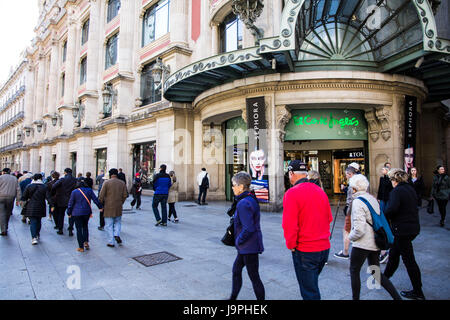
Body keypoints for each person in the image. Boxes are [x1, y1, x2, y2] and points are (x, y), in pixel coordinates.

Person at [282, 160, 332, 300]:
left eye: (288, 174)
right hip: (324, 249)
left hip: (305, 250)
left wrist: (291, 245)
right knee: (311, 285)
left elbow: (289, 225)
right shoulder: (320, 191)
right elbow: (328, 218)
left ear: (291, 173)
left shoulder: (292, 193)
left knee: (309, 292)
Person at [347, 174, 401, 300]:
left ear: (354, 188)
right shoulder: (371, 198)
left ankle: (356, 298)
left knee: (354, 270)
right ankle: (397, 297)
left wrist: (351, 237)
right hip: (376, 242)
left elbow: (359, 229)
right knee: (376, 273)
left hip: (362, 243)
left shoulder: (358, 202)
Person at [384, 168, 425, 300]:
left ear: (394, 180)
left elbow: (392, 209)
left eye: (391, 180)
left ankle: (418, 291)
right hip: (412, 227)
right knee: (394, 254)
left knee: (409, 260)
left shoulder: (397, 191)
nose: (391, 182)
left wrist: (384, 215)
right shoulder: (409, 189)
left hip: (402, 229)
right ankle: (384, 278)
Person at [229, 172, 265, 300]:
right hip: (247, 246)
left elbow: (248, 228)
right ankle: (233, 297)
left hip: (248, 246)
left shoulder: (244, 203)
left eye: (234, 185)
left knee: (254, 276)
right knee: (236, 271)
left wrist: (238, 240)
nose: (232, 187)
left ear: (241, 186)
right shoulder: (249, 198)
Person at [67, 179, 103, 252]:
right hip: (86, 212)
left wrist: (69, 212)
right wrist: (100, 207)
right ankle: (86, 242)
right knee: (85, 226)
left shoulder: (74, 192)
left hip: (76, 213)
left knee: (79, 229)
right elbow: (95, 199)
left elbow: (70, 203)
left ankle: (81, 247)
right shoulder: (89, 190)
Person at [99, 168, 128, 247]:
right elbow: (125, 195)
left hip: (108, 206)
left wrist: (100, 204)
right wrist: (121, 202)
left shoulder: (106, 182)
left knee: (109, 224)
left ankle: (111, 241)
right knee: (118, 222)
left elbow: (101, 195)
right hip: (118, 206)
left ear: (110, 174)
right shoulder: (122, 183)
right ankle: (116, 234)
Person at [334, 166, 358, 259]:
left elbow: (352, 197)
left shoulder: (353, 183)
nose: (346, 176)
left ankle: (345, 251)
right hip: (355, 208)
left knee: (346, 230)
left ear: (350, 174)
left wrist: (348, 208)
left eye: (346, 174)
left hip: (352, 208)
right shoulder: (359, 181)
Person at [21, 174, 50, 245]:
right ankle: (37, 234)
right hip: (41, 205)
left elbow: (24, 197)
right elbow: (48, 197)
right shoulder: (44, 187)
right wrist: (52, 204)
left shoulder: (29, 186)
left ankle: (33, 237)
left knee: (33, 221)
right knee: (38, 220)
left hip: (31, 205)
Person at [51, 168, 78, 235]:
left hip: (61, 199)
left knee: (61, 214)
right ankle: (70, 230)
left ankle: (60, 229)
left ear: (65, 172)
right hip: (72, 199)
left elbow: (54, 186)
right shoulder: (75, 180)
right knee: (71, 215)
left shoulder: (62, 179)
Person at [0, 168, 21, 236]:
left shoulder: (0, 177)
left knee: (2, 213)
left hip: (1, 197)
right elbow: (18, 190)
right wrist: (18, 199)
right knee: (8, 213)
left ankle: (3, 229)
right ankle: (6, 226)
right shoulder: (14, 179)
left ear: (3, 172)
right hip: (11, 198)